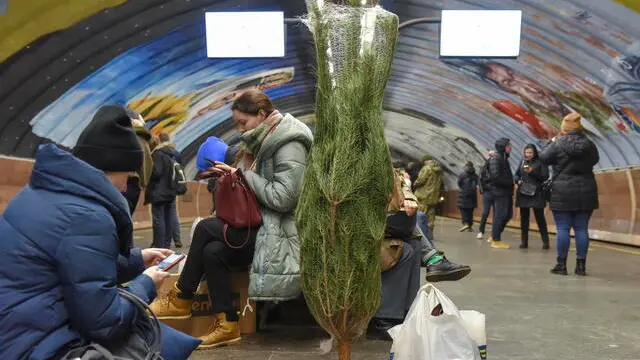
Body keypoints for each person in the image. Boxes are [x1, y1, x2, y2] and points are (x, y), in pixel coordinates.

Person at [0, 105, 197, 360]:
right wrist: (147, 283)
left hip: (15, 329)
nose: (126, 186)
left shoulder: (40, 192)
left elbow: (75, 268)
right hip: (37, 346)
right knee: (161, 344)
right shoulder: (89, 216)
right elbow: (106, 323)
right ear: (108, 168)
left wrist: (137, 260)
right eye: (127, 175)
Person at [150, 90, 313, 348]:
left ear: (261, 115)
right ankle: (227, 324)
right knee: (213, 251)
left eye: (242, 123)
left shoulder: (289, 143)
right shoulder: (262, 140)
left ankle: (182, 297)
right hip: (260, 224)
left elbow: (284, 198)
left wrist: (242, 175)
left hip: (281, 231)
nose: (239, 129)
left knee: (205, 227)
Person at [367, 165, 471, 341]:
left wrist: (408, 198)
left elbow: (398, 180)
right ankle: (382, 320)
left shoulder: (378, 164)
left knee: (413, 244)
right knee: (405, 248)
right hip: (353, 231)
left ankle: (404, 314)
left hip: (376, 221)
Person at [540, 113, 599, 276]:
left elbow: (544, 158)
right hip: (587, 189)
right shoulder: (589, 144)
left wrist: (551, 142)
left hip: (563, 190)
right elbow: (595, 160)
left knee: (563, 228)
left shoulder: (558, 144)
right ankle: (581, 266)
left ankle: (561, 265)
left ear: (564, 128)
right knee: (581, 229)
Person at [146, 132, 183, 248]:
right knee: (169, 217)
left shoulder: (158, 153)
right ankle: (167, 244)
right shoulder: (175, 153)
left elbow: (157, 172)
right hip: (171, 190)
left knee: (158, 218)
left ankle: (159, 245)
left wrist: (148, 171)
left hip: (159, 191)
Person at [514, 144, 550, 249]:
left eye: (530, 153)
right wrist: (517, 180)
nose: (528, 155)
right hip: (524, 191)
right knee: (524, 218)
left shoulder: (541, 161)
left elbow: (545, 176)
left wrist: (532, 172)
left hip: (537, 192)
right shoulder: (522, 161)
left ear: (534, 153)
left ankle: (545, 241)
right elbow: (516, 174)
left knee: (540, 217)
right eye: (526, 153)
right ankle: (524, 242)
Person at [121, 108, 153, 216]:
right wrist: (142, 183)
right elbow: (148, 163)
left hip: (125, 181)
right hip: (134, 183)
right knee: (127, 216)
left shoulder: (125, 136)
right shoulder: (143, 139)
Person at [487, 138, 514, 249]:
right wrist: (510, 182)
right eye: (508, 145)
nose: (510, 147)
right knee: (500, 215)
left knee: (507, 215)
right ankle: (496, 240)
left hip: (505, 191)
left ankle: (494, 235)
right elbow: (495, 177)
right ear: (503, 147)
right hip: (499, 192)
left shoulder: (503, 158)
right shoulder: (496, 159)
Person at [413, 155, 443, 240]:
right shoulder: (439, 170)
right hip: (433, 197)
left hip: (423, 196)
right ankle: (429, 235)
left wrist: (415, 183)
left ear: (425, 161)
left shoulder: (426, 168)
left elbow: (421, 180)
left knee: (420, 216)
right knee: (431, 217)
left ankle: (421, 236)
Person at [477, 151, 495, 239]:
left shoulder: (499, 167)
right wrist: (482, 190)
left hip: (497, 192)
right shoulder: (485, 168)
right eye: (491, 156)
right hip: (488, 192)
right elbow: (480, 179)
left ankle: (494, 233)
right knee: (485, 212)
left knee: (497, 214)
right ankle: (481, 231)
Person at [457, 161, 478, 232]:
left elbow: (459, 183)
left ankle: (465, 223)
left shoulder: (462, 174)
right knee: (470, 211)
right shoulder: (475, 175)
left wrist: (463, 188)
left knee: (463, 209)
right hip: (472, 195)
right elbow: (478, 183)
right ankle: (470, 226)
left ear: (465, 166)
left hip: (463, 194)